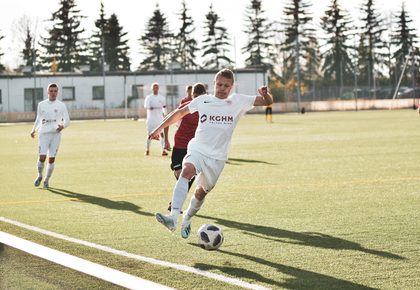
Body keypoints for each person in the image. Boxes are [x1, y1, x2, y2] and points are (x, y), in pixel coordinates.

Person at [149, 68, 273, 239]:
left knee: (201, 192)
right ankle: (173, 218)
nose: (222, 88)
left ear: (232, 87)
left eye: (226, 86)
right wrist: (158, 129)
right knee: (186, 171)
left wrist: (266, 95)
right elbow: (179, 113)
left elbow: (267, 102)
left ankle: (187, 218)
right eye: (219, 84)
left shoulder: (238, 101)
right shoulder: (203, 100)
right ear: (214, 83)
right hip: (198, 148)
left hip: (217, 158)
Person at [166, 83, 207, 212]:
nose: (196, 100)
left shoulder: (208, 108)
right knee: (181, 176)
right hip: (179, 144)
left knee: (187, 177)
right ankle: (175, 202)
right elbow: (168, 120)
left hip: (194, 147)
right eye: (194, 96)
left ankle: (174, 204)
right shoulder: (187, 106)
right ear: (191, 95)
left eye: (199, 97)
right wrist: (166, 140)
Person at [30, 83, 70, 188]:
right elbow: (38, 119)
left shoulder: (61, 105)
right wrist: (33, 129)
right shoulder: (41, 104)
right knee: (42, 157)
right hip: (43, 133)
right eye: (51, 91)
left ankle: (47, 180)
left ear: (57, 92)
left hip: (56, 135)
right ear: (47, 92)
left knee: (51, 159)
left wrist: (63, 126)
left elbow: (67, 120)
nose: (53, 93)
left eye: (55, 91)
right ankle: (39, 175)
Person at [144, 82, 170, 156]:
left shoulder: (161, 98)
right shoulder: (149, 97)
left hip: (159, 119)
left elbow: (164, 108)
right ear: (152, 89)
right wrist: (151, 107)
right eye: (154, 87)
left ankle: (163, 150)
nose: (155, 89)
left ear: (158, 88)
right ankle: (147, 149)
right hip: (151, 119)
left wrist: (165, 114)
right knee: (149, 135)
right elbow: (147, 106)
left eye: (157, 87)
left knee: (162, 134)